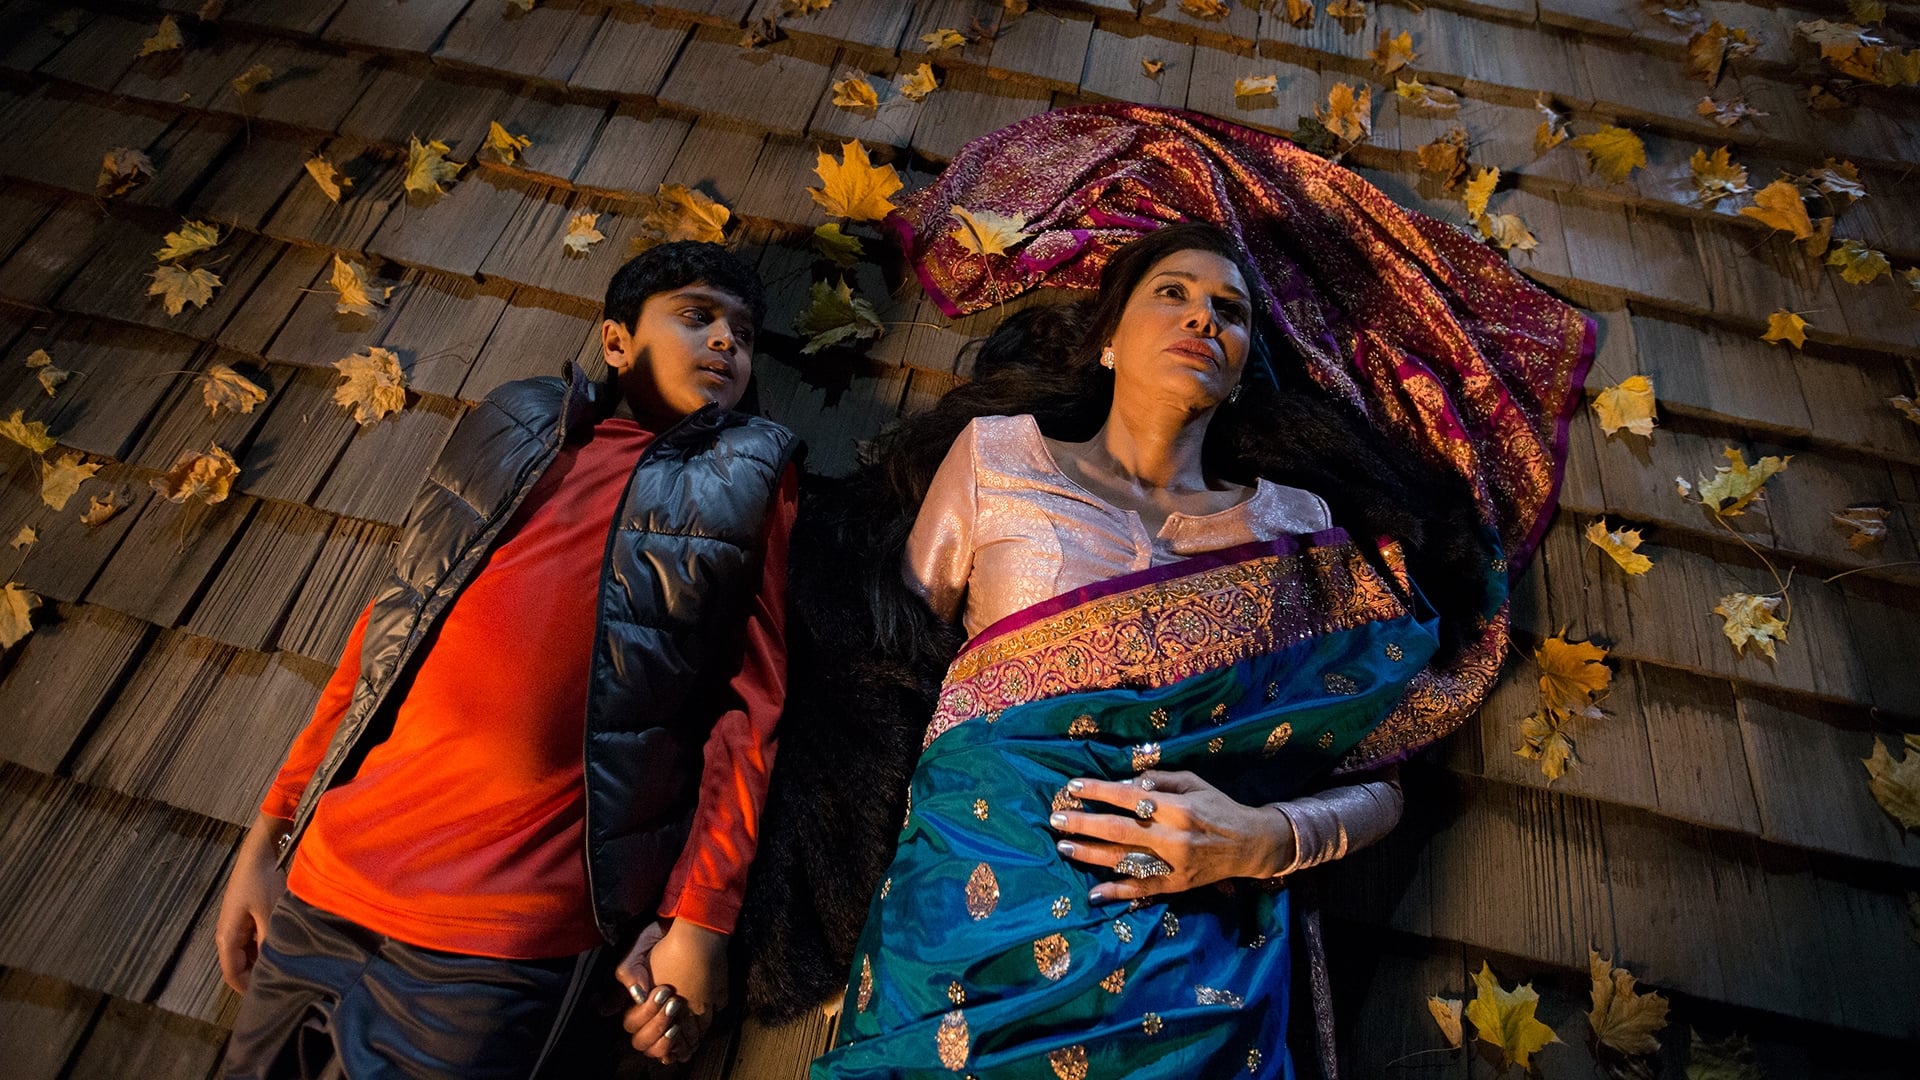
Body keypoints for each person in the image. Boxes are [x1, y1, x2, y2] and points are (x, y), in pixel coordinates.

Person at [800, 221, 1505, 1079]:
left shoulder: (1294, 528)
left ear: (1242, 372)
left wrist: (1261, 839)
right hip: (964, 926)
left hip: (1184, 961)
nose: (1203, 317)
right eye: (1173, 293)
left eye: (1230, 311)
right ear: (1108, 338)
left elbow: (1375, 777)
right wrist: (833, 905)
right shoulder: (997, 458)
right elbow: (882, 688)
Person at [214, 241, 801, 1079]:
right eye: (697, 316)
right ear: (616, 341)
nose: (724, 343)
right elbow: (386, 634)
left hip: (504, 930)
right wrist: (268, 837)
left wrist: (700, 922)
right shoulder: (514, 422)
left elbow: (750, 713)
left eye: (742, 335)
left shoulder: (747, 477)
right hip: (328, 878)